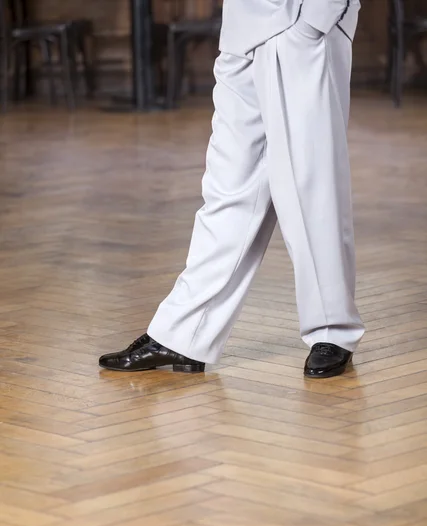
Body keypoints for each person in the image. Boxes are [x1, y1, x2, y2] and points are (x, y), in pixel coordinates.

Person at [99, 0, 365, 379]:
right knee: (229, 191)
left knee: (311, 187)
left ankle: (333, 330)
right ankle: (184, 333)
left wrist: (317, 18)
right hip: (243, 27)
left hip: (302, 21)